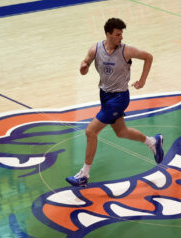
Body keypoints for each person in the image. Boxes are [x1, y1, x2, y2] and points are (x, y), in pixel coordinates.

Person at [66, 18, 163, 187]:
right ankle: (152, 142)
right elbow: (85, 64)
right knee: (121, 132)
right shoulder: (96, 49)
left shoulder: (127, 51)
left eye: (122, 34)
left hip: (119, 98)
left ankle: (84, 174)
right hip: (104, 95)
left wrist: (142, 80)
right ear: (108, 34)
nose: (121, 37)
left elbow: (148, 57)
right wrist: (83, 67)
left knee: (90, 132)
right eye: (118, 34)